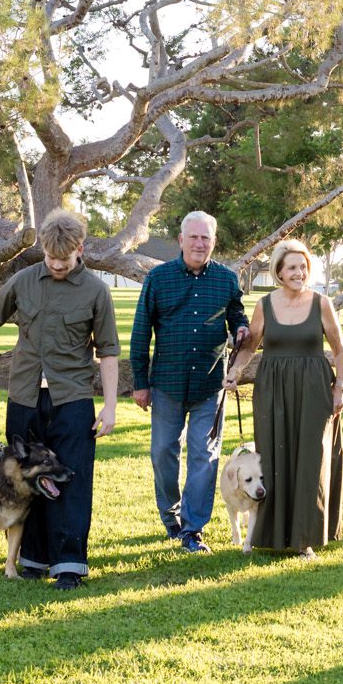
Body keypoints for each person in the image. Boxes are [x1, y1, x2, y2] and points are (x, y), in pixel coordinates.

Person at [0, 210, 118, 589]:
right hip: (23, 395)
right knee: (25, 482)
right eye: (50, 257)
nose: (55, 265)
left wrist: (111, 405)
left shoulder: (96, 291)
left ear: (79, 250)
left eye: (64, 260)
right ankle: (33, 559)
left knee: (71, 480)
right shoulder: (23, 280)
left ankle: (69, 565)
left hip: (72, 399)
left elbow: (109, 350)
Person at [129, 211, 250, 553]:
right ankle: (171, 516)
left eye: (206, 238)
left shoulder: (226, 279)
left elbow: (236, 314)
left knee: (205, 457)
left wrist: (240, 326)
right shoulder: (159, 279)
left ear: (214, 242)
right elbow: (141, 334)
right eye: (193, 237)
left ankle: (192, 529)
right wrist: (140, 383)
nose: (199, 243)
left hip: (209, 386)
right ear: (181, 240)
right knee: (163, 454)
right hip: (166, 384)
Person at [228, 237, 343, 556]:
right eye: (292, 267)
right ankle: (272, 533)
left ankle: (305, 537)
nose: (299, 272)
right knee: (274, 457)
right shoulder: (265, 305)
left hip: (314, 388)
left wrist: (340, 388)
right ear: (279, 271)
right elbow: (250, 345)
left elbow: (339, 349)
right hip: (273, 388)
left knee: (310, 459)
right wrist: (235, 371)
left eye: (303, 266)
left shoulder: (322, 302)